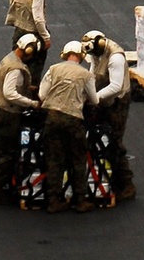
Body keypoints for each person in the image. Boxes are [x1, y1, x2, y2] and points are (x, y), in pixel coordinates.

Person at [38, 41, 98, 213]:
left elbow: (42, 94)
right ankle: (80, 200)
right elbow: (94, 100)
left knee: (54, 160)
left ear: (65, 54)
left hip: (53, 118)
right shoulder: (85, 74)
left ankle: (54, 201)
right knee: (78, 160)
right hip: (73, 119)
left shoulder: (53, 69)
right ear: (80, 55)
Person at [0, 32, 41, 206]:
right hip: (10, 115)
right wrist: (31, 103)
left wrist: (28, 87)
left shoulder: (8, 59)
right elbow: (10, 93)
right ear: (29, 50)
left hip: (0, 112)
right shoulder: (16, 68)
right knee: (7, 153)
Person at [82, 30, 135, 202]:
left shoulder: (115, 58)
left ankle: (127, 184)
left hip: (117, 103)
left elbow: (116, 87)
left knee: (114, 141)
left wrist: (94, 98)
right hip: (103, 99)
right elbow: (92, 72)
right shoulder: (96, 53)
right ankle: (107, 177)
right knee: (99, 138)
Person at [5, 0, 51, 88]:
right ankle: (31, 94)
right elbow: (38, 19)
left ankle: (14, 87)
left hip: (19, 30)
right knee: (35, 67)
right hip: (34, 33)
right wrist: (46, 37)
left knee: (17, 62)